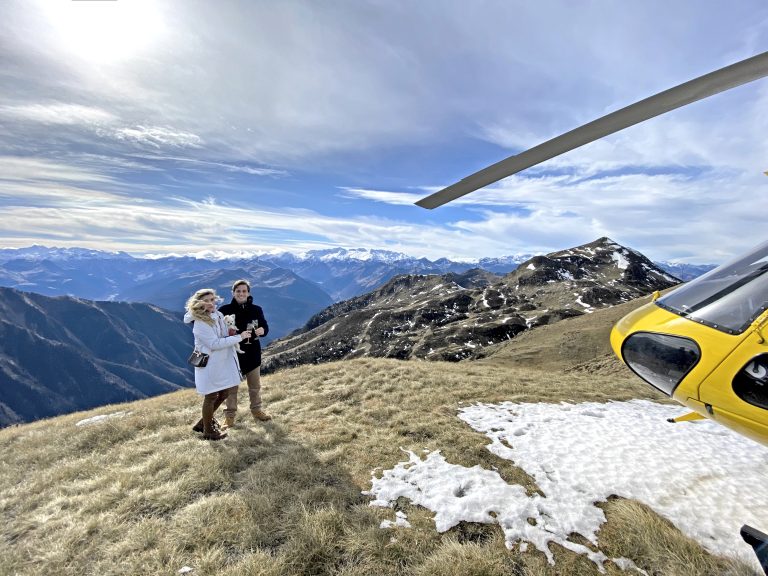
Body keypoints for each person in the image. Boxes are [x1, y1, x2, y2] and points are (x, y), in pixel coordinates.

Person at [184, 288, 252, 440]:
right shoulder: (200, 323)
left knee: (224, 393)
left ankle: (203, 423)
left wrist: (231, 332)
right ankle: (208, 431)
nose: (210, 303)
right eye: (206, 301)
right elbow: (214, 344)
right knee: (211, 396)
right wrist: (239, 338)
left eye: (212, 299)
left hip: (222, 363)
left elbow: (222, 335)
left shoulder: (218, 314)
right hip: (209, 365)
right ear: (199, 304)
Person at [218, 279, 271, 426]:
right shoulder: (224, 310)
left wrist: (263, 331)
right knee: (231, 388)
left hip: (253, 352)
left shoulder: (256, 309)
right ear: (233, 293)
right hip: (233, 354)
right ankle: (229, 417)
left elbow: (265, 327)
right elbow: (219, 332)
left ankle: (257, 411)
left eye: (244, 291)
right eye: (238, 291)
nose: (241, 293)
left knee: (255, 386)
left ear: (248, 293)